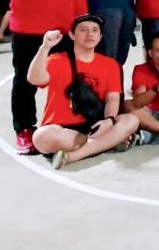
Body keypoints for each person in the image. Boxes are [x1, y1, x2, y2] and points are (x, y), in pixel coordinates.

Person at [3, 0, 87, 155]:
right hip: (28, 28)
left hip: (63, 28)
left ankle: (61, 123)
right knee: (25, 81)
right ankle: (24, 129)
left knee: (66, 80)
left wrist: (81, 22)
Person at [27, 14, 140, 170]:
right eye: (83, 30)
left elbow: (113, 98)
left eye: (95, 30)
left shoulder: (110, 64)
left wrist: (109, 121)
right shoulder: (57, 59)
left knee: (131, 120)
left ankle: (73, 156)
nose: (90, 34)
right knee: (40, 137)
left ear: (100, 37)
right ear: (72, 35)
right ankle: (106, 144)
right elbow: (34, 79)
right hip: (62, 130)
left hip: (96, 125)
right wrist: (45, 47)